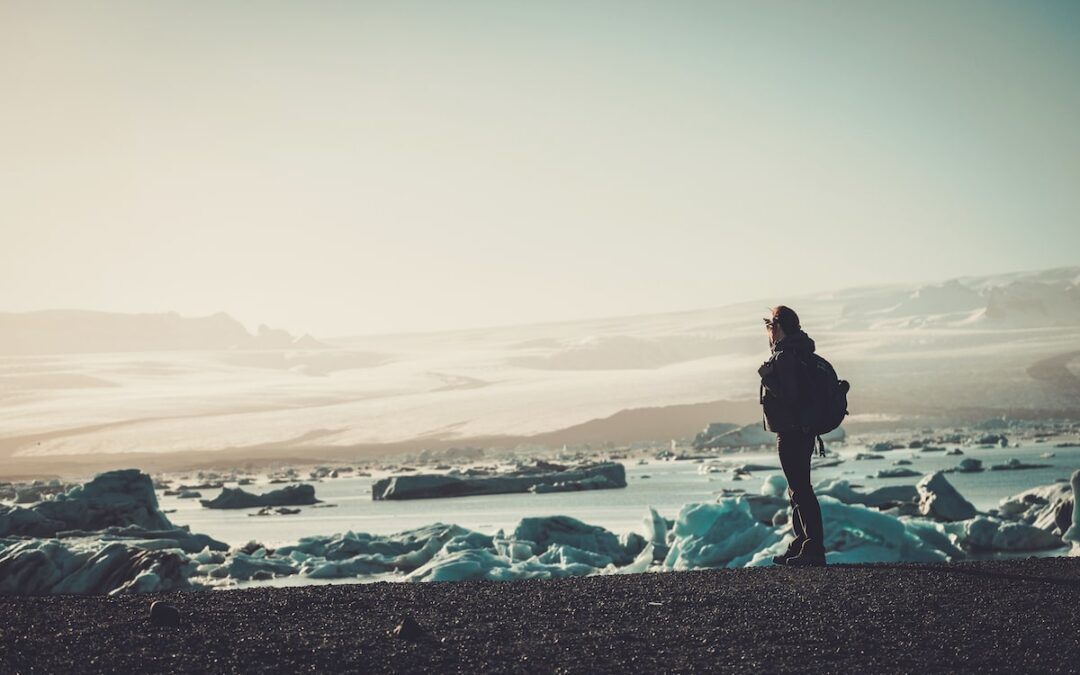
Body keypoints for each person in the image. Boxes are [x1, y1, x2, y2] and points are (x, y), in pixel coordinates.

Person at [758, 305, 826, 567]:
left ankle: (813, 547)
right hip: (803, 430)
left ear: (778, 327)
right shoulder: (801, 352)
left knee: (801, 490)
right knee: (798, 489)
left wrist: (768, 378)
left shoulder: (785, 356)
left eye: (770, 326)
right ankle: (803, 542)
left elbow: (790, 396)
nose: (769, 332)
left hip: (791, 431)